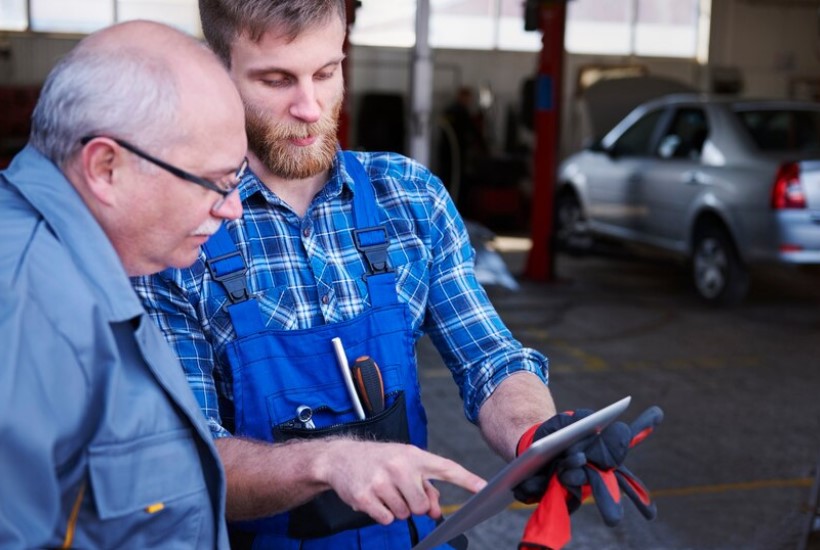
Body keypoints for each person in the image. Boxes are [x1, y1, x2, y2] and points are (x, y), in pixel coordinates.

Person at [132, 1, 554, 548]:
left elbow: (488, 358)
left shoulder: (409, 198)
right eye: (276, 79)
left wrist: (539, 435)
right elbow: (188, 458)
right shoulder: (177, 233)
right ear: (216, 74)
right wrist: (329, 463)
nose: (310, 107)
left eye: (326, 73)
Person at [0, 20, 249, 548]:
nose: (233, 210)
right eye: (216, 183)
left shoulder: (79, 269)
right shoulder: (26, 312)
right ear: (106, 167)